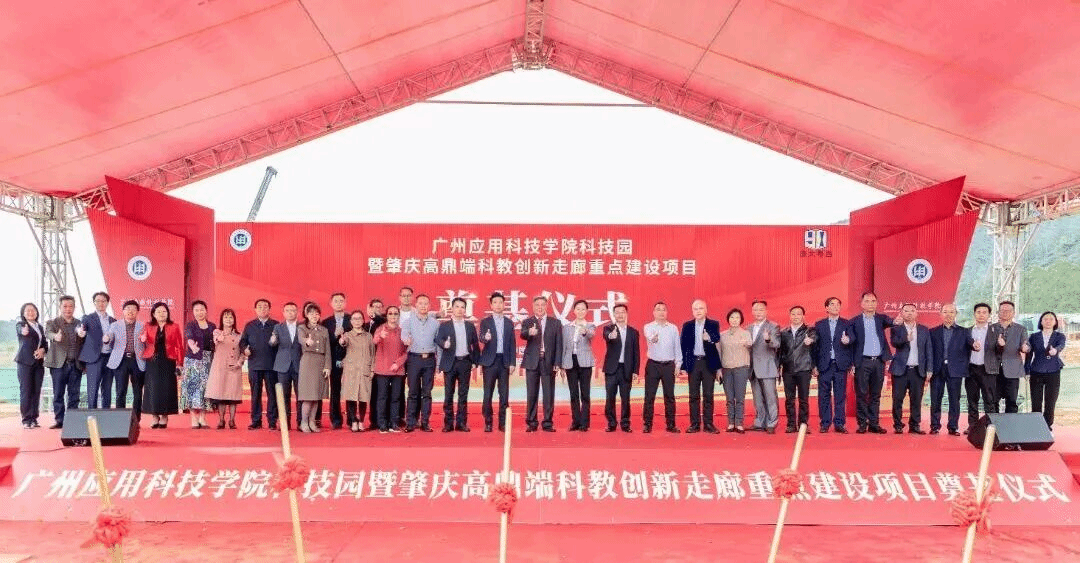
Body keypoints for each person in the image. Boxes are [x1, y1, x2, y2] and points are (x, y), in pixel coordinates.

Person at [849, 291, 896, 434]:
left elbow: (892, 321)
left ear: (877, 303)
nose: (870, 304)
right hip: (862, 362)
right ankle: (862, 424)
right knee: (862, 394)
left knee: (876, 395)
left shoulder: (881, 319)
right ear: (862, 304)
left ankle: (874, 423)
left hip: (878, 362)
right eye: (867, 301)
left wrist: (898, 320)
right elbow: (851, 343)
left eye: (873, 301)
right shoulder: (854, 321)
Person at [435, 297, 480, 432]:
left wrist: (475, 362)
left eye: (462, 307)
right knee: (448, 394)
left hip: (465, 362)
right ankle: (448, 424)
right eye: (457, 306)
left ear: (465, 310)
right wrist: (444, 344)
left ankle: (461, 423)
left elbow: (475, 345)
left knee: (463, 394)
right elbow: (438, 339)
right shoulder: (445, 325)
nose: (460, 309)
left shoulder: (470, 326)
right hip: (450, 363)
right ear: (452, 309)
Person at [888, 304, 933, 434]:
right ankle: (898, 424)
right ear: (902, 313)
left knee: (916, 400)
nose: (909, 313)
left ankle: (914, 425)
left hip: (918, 370)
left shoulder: (924, 330)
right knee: (897, 399)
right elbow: (894, 343)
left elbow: (928, 350)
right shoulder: (896, 328)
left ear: (916, 313)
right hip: (900, 370)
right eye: (906, 311)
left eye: (912, 311)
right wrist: (906, 338)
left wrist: (929, 369)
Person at [521, 296, 563, 432]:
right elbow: (523, 334)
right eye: (537, 305)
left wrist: (558, 362)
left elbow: (559, 344)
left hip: (548, 361)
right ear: (533, 307)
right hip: (532, 362)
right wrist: (529, 332)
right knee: (531, 394)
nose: (540, 307)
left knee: (548, 394)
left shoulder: (555, 323)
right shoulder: (528, 322)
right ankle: (531, 423)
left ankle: (547, 423)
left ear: (546, 306)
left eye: (542, 305)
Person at [680, 299, 722, 434]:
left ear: (706, 310)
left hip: (708, 363)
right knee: (693, 395)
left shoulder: (713, 324)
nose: (698, 311)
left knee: (708, 395)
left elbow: (716, 338)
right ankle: (695, 424)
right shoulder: (687, 326)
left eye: (701, 308)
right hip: (693, 363)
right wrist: (683, 366)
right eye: (695, 309)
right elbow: (683, 346)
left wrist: (708, 338)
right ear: (692, 311)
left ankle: (709, 424)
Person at [812, 297, 853, 433]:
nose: (835, 307)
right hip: (824, 365)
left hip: (840, 365)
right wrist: (814, 365)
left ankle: (839, 423)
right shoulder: (819, 324)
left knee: (840, 395)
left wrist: (849, 340)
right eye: (832, 304)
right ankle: (825, 423)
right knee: (823, 395)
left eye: (837, 304)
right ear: (826, 308)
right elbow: (815, 347)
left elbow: (853, 343)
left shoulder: (847, 323)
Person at [929, 303, 970, 436]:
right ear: (940, 314)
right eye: (945, 312)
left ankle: (953, 427)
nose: (948, 315)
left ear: (956, 314)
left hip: (955, 370)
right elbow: (929, 352)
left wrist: (975, 346)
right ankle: (935, 426)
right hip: (937, 369)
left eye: (951, 312)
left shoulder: (964, 331)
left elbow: (969, 348)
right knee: (935, 399)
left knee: (954, 400)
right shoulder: (933, 332)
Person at [400, 294, 440, 432]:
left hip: (429, 360)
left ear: (429, 306)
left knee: (427, 393)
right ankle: (411, 422)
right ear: (415, 305)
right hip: (414, 359)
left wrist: (438, 364)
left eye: (426, 303)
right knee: (413, 392)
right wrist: (406, 340)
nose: (423, 306)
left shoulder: (435, 323)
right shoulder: (408, 321)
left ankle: (425, 422)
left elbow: (438, 345)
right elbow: (404, 335)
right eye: (420, 303)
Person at [140, 302, 183, 428]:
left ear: (168, 313)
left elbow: (179, 345)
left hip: (168, 360)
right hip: (152, 360)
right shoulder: (148, 326)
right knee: (153, 388)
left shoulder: (174, 326)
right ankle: (154, 416)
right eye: (158, 311)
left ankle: (164, 416)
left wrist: (180, 363)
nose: (162, 314)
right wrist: (142, 339)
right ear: (153, 314)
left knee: (167, 388)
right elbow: (143, 340)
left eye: (164, 311)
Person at [43, 295, 83, 429]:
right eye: (65, 306)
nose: (68, 309)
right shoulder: (53, 322)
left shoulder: (79, 323)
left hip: (75, 364)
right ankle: (60, 420)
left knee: (74, 395)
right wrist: (55, 336)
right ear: (60, 307)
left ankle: (72, 421)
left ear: (74, 307)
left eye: (70, 306)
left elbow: (84, 342)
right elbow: (48, 333)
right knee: (58, 394)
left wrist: (83, 335)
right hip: (59, 365)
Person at [239, 299, 279, 430]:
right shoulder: (250, 325)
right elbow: (243, 342)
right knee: (255, 394)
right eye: (260, 307)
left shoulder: (276, 325)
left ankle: (272, 421)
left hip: (271, 365)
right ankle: (256, 420)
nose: (262, 309)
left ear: (269, 309)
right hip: (254, 365)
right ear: (255, 309)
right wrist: (245, 350)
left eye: (265, 306)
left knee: (272, 394)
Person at [642, 302, 681, 433]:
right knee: (649, 396)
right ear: (654, 313)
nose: (661, 312)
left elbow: (677, 347)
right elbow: (650, 338)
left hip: (669, 366)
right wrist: (654, 338)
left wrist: (678, 364)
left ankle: (671, 424)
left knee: (669, 396)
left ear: (667, 312)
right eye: (658, 310)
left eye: (663, 309)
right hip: (653, 365)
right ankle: (647, 424)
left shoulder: (673, 328)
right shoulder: (648, 327)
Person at [104, 300, 146, 418]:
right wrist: (106, 338)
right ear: (123, 311)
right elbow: (109, 335)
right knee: (121, 390)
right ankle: (120, 419)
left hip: (137, 360)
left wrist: (146, 339)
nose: (130, 311)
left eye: (133, 309)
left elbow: (148, 342)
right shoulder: (115, 325)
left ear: (137, 312)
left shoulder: (143, 326)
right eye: (127, 309)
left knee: (138, 391)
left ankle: (136, 419)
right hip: (121, 361)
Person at [1025, 311, 1066, 431]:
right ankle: (1036, 425)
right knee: (1036, 400)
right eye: (1045, 319)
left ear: (1055, 322)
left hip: (1053, 371)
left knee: (1051, 400)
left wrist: (1055, 351)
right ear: (1041, 322)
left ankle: (1047, 426)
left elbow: (1061, 345)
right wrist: (1027, 370)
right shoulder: (1034, 336)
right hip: (1036, 371)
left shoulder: (1060, 336)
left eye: (1051, 319)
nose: (1048, 321)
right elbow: (1029, 354)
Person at [602, 303, 639, 433]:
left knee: (626, 398)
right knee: (610, 398)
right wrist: (611, 335)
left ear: (626, 313)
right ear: (614, 314)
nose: (620, 314)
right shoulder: (608, 328)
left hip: (626, 369)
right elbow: (607, 336)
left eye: (622, 312)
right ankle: (611, 423)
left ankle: (625, 423)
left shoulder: (633, 332)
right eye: (617, 312)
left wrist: (635, 371)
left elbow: (636, 353)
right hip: (611, 369)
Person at [779, 306, 816, 434]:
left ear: (803, 316)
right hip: (788, 370)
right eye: (793, 314)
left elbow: (815, 338)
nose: (796, 317)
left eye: (798, 314)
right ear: (790, 316)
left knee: (803, 399)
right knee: (789, 399)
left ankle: (803, 424)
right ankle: (791, 424)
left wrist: (811, 340)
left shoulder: (810, 330)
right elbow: (780, 352)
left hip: (804, 369)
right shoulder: (784, 332)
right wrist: (779, 366)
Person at [561, 299, 596, 432]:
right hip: (570, 361)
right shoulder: (567, 327)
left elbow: (591, 335)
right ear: (574, 311)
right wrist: (562, 365)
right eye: (578, 309)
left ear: (586, 311)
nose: (580, 311)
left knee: (585, 394)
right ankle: (575, 421)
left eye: (583, 309)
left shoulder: (590, 326)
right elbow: (564, 346)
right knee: (573, 393)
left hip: (585, 363)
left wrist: (584, 331)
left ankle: (584, 423)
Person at [206, 309, 245, 429]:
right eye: (226, 317)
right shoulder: (217, 332)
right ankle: (221, 420)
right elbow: (217, 340)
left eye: (230, 317)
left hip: (234, 367)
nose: (228, 320)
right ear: (222, 320)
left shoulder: (239, 336)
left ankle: (232, 420)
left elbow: (243, 352)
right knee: (221, 395)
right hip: (220, 368)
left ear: (234, 320)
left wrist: (239, 363)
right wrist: (223, 334)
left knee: (233, 396)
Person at [988, 301, 1029, 413]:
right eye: (1003, 310)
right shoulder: (991, 328)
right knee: (992, 402)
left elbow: (1026, 345)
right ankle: (993, 424)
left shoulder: (1020, 329)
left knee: (1011, 402)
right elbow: (988, 348)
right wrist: (999, 345)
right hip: (993, 370)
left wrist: (1025, 348)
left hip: (1013, 370)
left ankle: (1010, 424)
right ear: (998, 312)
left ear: (1013, 313)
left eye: (1008, 310)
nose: (1005, 312)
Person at [748, 300, 781, 434]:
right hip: (753, 368)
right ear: (752, 312)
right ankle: (759, 422)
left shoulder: (773, 326)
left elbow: (777, 344)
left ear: (766, 311)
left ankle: (771, 423)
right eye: (755, 310)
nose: (758, 312)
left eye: (761, 309)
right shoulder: (749, 328)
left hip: (767, 367)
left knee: (770, 397)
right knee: (757, 398)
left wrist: (768, 339)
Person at [181, 300, 215, 428]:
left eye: (202, 309)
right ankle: (193, 417)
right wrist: (192, 346)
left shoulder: (212, 326)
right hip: (193, 359)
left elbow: (216, 339)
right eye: (196, 310)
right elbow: (189, 338)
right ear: (193, 312)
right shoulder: (190, 325)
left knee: (205, 389)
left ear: (206, 311)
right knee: (191, 387)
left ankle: (202, 417)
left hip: (208, 359)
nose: (199, 312)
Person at [373, 306, 408, 433]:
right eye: (390, 313)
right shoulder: (380, 329)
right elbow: (374, 341)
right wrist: (380, 336)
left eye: (395, 314)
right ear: (386, 316)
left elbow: (407, 351)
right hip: (382, 369)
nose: (393, 316)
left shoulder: (402, 331)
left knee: (396, 398)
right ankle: (382, 424)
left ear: (399, 316)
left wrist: (398, 364)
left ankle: (394, 423)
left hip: (397, 370)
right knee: (382, 397)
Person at [297, 304, 331, 433]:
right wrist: (307, 341)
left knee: (317, 396)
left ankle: (312, 422)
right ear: (306, 315)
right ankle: (304, 422)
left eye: (316, 313)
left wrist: (327, 366)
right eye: (311, 313)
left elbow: (327, 350)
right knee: (308, 396)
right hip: (308, 362)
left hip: (320, 362)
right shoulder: (302, 328)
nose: (314, 316)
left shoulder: (324, 330)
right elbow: (301, 339)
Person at [341, 310, 376, 432]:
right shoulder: (347, 335)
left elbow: (373, 354)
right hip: (351, 371)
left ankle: (361, 421)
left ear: (363, 320)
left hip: (364, 370)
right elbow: (344, 343)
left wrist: (372, 369)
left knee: (363, 397)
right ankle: (353, 421)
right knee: (351, 396)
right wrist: (342, 341)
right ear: (351, 321)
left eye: (359, 318)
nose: (357, 321)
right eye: (354, 319)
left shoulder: (368, 336)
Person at [79, 292, 115, 409]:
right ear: (94, 303)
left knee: (107, 388)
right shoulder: (88, 318)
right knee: (92, 388)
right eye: (98, 301)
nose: (101, 303)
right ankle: (92, 414)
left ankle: (106, 414)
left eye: (103, 301)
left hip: (109, 358)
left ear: (107, 303)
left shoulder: (113, 320)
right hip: (94, 358)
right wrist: (80, 332)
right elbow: (80, 328)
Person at [718, 308, 752, 433]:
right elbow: (719, 353)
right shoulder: (722, 335)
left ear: (741, 319)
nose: (734, 320)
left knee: (740, 397)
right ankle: (731, 423)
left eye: (737, 317)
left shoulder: (746, 334)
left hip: (741, 368)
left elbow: (750, 345)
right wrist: (718, 370)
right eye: (732, 317)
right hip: (726, 369)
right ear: (728, 319)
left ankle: (739, 423)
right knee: (729, 398)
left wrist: (747, 344)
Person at [320, 292, 350, 430]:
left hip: (349, 359)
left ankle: (351, 419)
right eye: (336, 301)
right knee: (335, 390)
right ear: (331, 304)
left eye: (341, 301)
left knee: (350, 390)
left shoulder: (352, 319)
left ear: (345, 303)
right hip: (333, 360)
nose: (338, 303)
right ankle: (336, 420)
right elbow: (325, 343)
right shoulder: (326, 322)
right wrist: (335, 335)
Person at [965, 303, 996, 433]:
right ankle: (973, 427)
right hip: (971, 369)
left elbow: (1000, 350)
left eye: (984, 312)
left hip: (987, 370)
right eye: (978, 312)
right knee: (972, 400)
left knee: (989, 400)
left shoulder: (995, 331)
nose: (981, 315)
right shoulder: (967, 331)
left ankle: (990, 427)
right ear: (974, 314)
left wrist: (1001, 345)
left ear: (989, 315)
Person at [271, 302, 303, 430]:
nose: (290, 313)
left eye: (293, 310)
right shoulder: (278, 327)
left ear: (297, 312)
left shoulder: (302, 327)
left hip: (299, 364)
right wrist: (272, 340)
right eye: (288, 310)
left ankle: (301, 422)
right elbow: (272, 343)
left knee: (301, 395)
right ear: (283, 313)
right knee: (284, 396)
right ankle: (285, 423)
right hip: (283, 365)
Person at [15, 303, 47, 429]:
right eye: (27, 311)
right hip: (25, 363)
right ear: (23, 314)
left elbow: (45, 344)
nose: (30, 313)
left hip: (38, 364)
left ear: (37, 312)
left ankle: (34, 418)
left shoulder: (40, 327)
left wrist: (43, 350)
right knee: (26, 391)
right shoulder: (21, 325)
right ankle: (26, 419)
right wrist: (23, 331)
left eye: (33, 310)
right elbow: (21, 330)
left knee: (36, 391)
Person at [362, 298, 388, 431]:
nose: (377, 309)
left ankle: (383, 420)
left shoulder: (384, 323)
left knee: (382, 393)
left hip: (382, 362)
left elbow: (381, 319)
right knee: (371, 394)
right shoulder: (365, 326)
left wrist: (374, 315)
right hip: (367, 362)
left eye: (379, 306)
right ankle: (373, 421)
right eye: (374, 306)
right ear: (370, 308)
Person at [396, 286, 416, 429]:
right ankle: (399, 417)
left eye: (409, 295)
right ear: (399, 297)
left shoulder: (418, 312)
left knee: (414, 388)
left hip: (414, 353)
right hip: (397, 354)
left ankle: (413, 417)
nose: (406, 298)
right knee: (398, 387)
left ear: (412, 297)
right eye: (404, 295)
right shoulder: (393, 312)